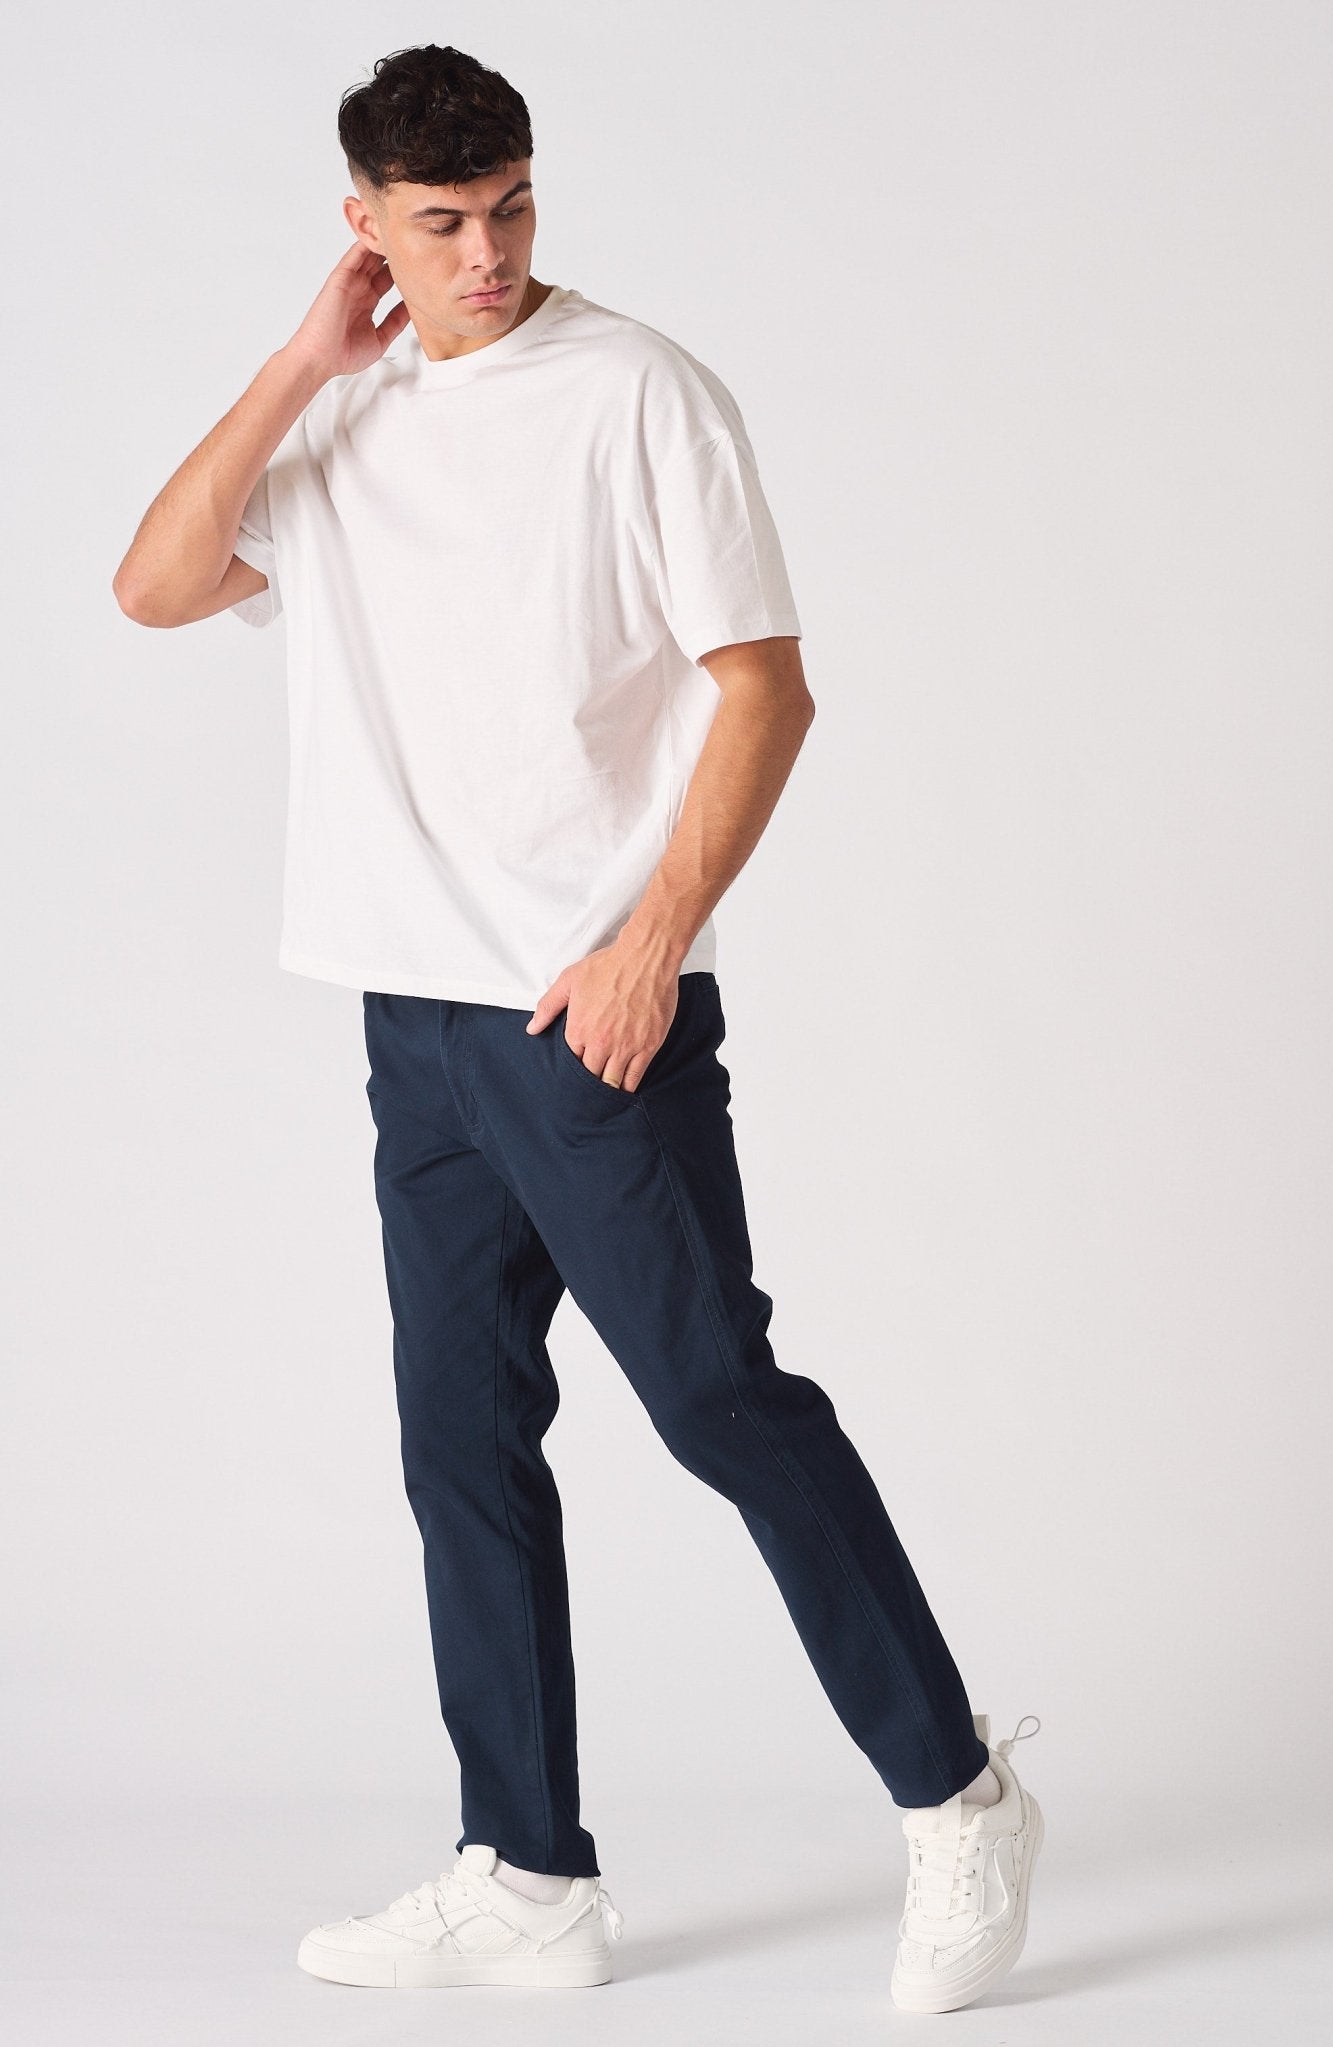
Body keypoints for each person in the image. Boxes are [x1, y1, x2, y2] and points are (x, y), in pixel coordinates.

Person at [112, 41, 1043, 2015]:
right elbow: (156, 585)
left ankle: (954, 1793)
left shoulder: (637, 392)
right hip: (414, 1015)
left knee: (717, 1401)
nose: (488, 253)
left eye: (512, 205)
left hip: (584, 1009)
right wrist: (298, 364)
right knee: (460, 1440)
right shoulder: (344, 414)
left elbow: (765, 687)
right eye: (441, 220)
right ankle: (527, 1870)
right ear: (363, 224)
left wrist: (648, 942)